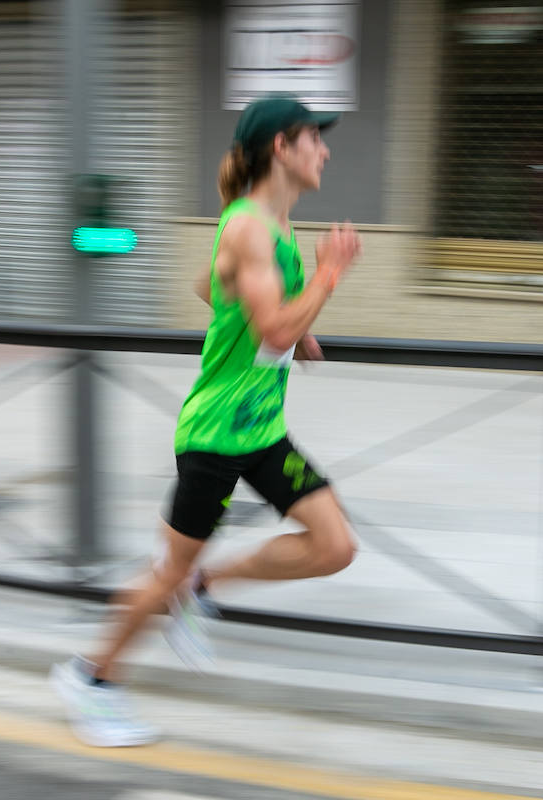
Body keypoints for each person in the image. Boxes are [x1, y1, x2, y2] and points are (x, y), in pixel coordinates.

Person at [54, 96, 363, 747]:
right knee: (162, 573)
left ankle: (205, 583)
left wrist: (290, 322)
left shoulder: (267, 224)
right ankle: (92, 678)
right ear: (282, 147)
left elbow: (217, 290)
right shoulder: (251, 225)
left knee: (334, 546)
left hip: (261, 431)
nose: (325, 151)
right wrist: (326, 279)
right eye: (315, 139)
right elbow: (270, 325)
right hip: (218, 438)